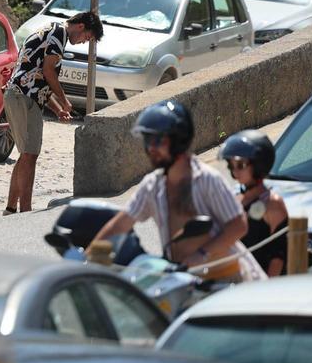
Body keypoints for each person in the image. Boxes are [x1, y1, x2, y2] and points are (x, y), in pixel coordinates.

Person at [90, 101, 265, 281]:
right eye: (147, 141)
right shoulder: (152, 186)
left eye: (157, 141)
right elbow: (121, 224)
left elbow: (238, 225)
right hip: (183, 280)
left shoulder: (207, 180)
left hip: (227, 279)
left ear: (178, 141)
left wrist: (202, 255)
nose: (151, 148)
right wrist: (89, 257)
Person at [3, 10, 103, 214]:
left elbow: (38, 80)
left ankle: (11, 209)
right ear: (81, 26)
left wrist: (58, 110)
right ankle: (26, 213)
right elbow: (48, 73)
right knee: (30, 155)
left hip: (20, 95)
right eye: (87, 38)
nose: (84, 42)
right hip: (23, 97)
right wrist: (65, 100)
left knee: (25, 155)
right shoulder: (58, 34)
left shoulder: (52, 30)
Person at [221, 129, 288, 277]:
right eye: (231, 166)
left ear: (259, 165)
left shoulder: (272, 204)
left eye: (240, 165)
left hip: (261, 284)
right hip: (236, 279)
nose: (235, 171)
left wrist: (263, 291)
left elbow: (279, 256)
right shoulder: (235, 197)